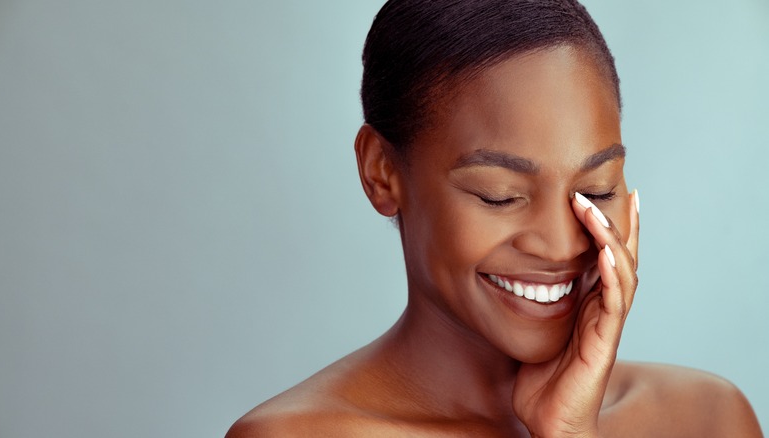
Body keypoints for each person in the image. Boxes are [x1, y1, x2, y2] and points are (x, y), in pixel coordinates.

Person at [227, 1, 762, 436]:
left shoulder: (707, 417)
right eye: (499, 196)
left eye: (596, 191)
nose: (559, 246)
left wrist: (570, 434)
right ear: (381, 171)